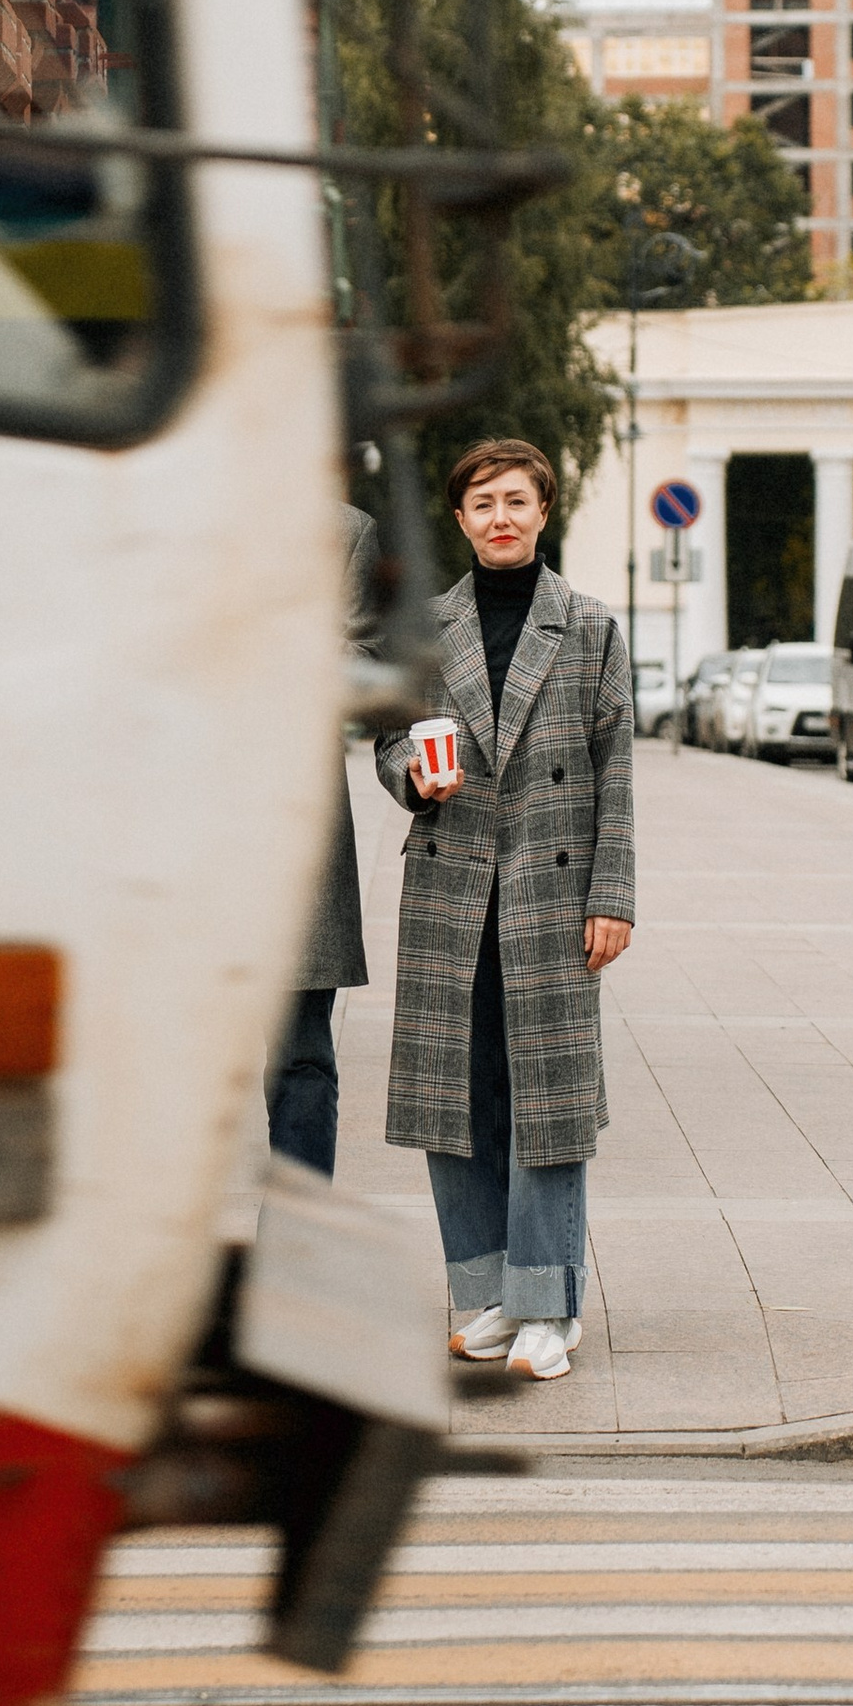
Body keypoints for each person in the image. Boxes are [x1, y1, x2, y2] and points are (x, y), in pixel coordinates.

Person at [375, 436, 635, 1383]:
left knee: (547, 1099)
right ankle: (484, 1295)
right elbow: (391, 741)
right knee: (457, 1100)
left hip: (551, 894)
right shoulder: (425, 626)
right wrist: (413, 774)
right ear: (461, 518)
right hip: (448, 888)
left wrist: (613, 896)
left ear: (543, 511)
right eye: (483, 503)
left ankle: (547, 1306)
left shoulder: (592, 627)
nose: (501, 519)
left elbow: (617, 773)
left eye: (517, 502)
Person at [266, 502, 382, 1176]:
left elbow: (359, 661)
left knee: (300, 1054)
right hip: (179, 831)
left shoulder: (344, 532)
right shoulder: (162, 500)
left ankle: (294, 1246)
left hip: (295, 835)